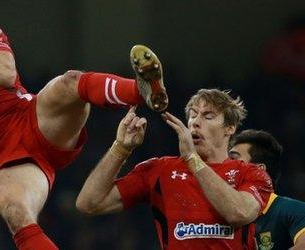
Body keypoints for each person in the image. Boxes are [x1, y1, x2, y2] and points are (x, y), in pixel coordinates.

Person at [0, 0, 169, 248]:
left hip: (33, 119)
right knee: (17, 215)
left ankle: (142, 90)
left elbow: (6, 74)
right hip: (2, 159)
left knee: (70, 82)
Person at [76, 89, 274, 249]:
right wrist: (120, 148)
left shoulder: (252, 174)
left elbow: (238, 213)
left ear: (230, 127)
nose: (195, 122)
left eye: (208, 116)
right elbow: (89, 203)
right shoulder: (160, 170)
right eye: (193, 115)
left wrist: (192, 159)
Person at [229, 129, 305, 250]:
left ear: (259, 170)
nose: (226, 165)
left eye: (234, 159)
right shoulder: (225, 216)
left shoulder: (293, 210)